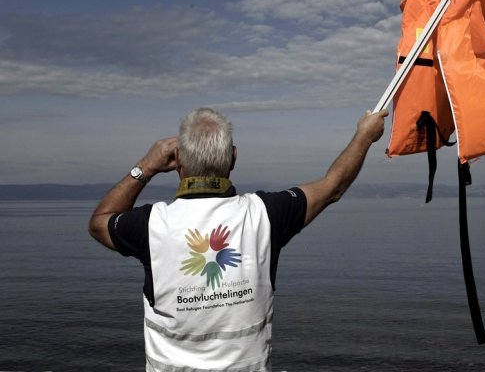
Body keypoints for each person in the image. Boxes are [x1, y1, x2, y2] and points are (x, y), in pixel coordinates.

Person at [88, 107, 388, 372]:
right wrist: (364, 135)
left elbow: (100, 223)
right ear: (233, 157)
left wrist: (146, 166)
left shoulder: (151, 225)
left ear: (177, 160)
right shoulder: (266, 214)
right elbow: (332, 187)